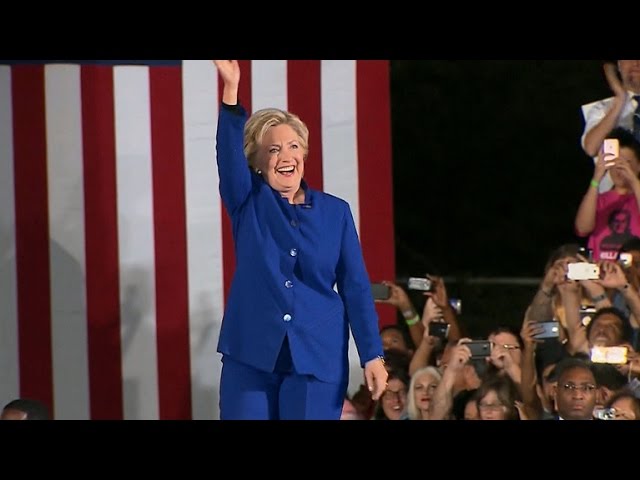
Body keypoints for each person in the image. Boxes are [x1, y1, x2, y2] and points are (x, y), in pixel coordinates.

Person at [212, 60, 388, 420]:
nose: (286, 156)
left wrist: (373, 354)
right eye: (273, 149)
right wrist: (230, 93)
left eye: (294, 146)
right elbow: (228, 157)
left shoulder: (336, 213)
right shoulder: (247, 201)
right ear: (256, 163)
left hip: (317, 359)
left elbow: (355, 288)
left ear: (304, 154)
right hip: (251, 357)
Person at [575, 127, 640, 262]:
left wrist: (634, 181)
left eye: (626, 162)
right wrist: (597, 178)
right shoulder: (599, 200)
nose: (619, 168)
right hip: (602, 269)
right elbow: (582, 228)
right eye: (615, 162)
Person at [581, 60, 640, 192]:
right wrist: (620, 100)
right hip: (617, 200)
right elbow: (591, 148)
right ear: (619, 65)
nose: (636, 63)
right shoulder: (603, 108)